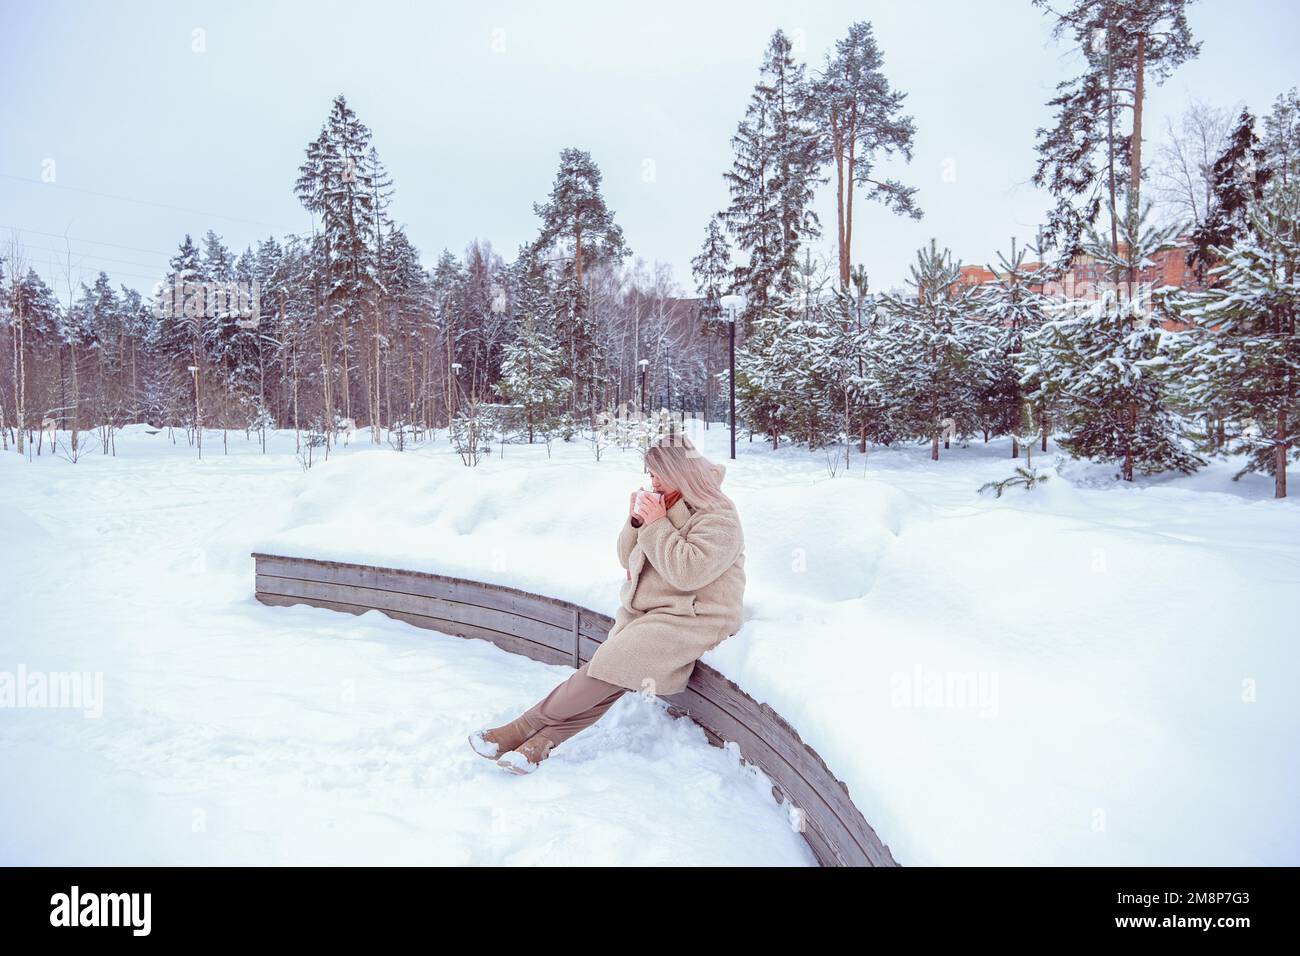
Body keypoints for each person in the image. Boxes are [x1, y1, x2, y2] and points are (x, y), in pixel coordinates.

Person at [468, 434, 746, 774]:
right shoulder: (665, 501)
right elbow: (626, 560)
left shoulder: (718, 514)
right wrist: (637, 521)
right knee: (612, 675)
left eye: (659, 473)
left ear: (681, 471)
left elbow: (686, 573)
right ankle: (537, 747)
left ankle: (519, 729)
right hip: (655, 612)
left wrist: (657, 524)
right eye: (650, 473)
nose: (652, 480)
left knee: (610, 666)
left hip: (697, 615)